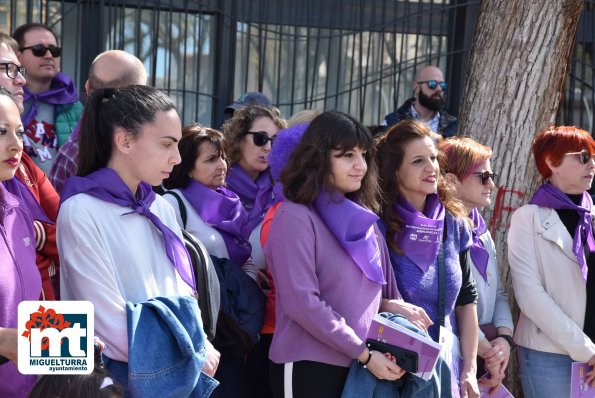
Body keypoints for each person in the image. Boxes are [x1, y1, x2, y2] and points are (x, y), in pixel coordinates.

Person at [57, 85, 219, 394]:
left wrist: (198, 346)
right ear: (124, 141)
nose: (176, 158)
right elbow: (105, 323)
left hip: (179, 372)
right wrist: (192, 349)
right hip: (116, 381)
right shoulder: (80, 210)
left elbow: (186, 293)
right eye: (166, 144)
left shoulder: (161, 207)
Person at [265, 111, 430, 398]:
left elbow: (378, 295)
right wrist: (363, 353)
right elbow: (301, 303)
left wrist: (393, 309)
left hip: (362, 368)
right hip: (311, 367)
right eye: (347, 155)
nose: (360, 166)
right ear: (319, 157)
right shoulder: (295, 216)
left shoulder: (366, 221)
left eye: (364, 155)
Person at [375, 119, 479, 398]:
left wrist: (469, 369)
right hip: (394, 371)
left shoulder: (454, 224)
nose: (432, 168)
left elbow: (467, 300)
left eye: (433, 158)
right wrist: (389, 306)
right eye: (418, 161)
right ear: (394, 171)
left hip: (446, 368)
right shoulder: (376, 226)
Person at [508, 125, 595, 397]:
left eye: (593, 156)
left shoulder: (591, 218)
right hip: (550, 355)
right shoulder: (528, 218)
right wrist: (587, 350)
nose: (591, 164)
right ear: (551, 162)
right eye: (582, 156)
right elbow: (530, 295)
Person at [439, 137, 514, 390]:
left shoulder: (482, 232)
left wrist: (504, 340)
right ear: (451, 180)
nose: (491, 183)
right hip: (458, 352)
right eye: (482, 176)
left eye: (491, 175)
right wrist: (485, 349)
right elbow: (452, 301)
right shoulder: (443, 231)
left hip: (487, 352)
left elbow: (499, 293)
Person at [0, 31, 59, 300]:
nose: (21, 79)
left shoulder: (22, 162)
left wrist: (68, 339)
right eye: (8, 69)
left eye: (20, 133)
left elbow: (68, 233)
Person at [50, 49, 148, 194]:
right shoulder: (150, 145)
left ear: (88, 87)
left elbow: (54, 211)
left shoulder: (70, 154)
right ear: (142, 94)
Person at [0, 86, 42, 398]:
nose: (16, 145)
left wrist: (71, 347)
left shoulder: (19, 210)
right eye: (1, 131)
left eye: (19, 131)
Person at [222, 104, 286, 271]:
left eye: (274, 141)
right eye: (260, 138)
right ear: (239, 138)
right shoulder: (215, 185)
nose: (268, 147)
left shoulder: (279, 192)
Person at [13, 23, 83, 174]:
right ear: (18, 57)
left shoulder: (72, 105)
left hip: (62, 194)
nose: (49, 55)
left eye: (54, 50)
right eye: (39, 50)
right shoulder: (5, 99)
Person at [381, 65, 457, 138]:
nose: (439, 89)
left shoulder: (454, 124)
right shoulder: (392, 122)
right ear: (416, 87)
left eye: (442, 85)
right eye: (432, 84)